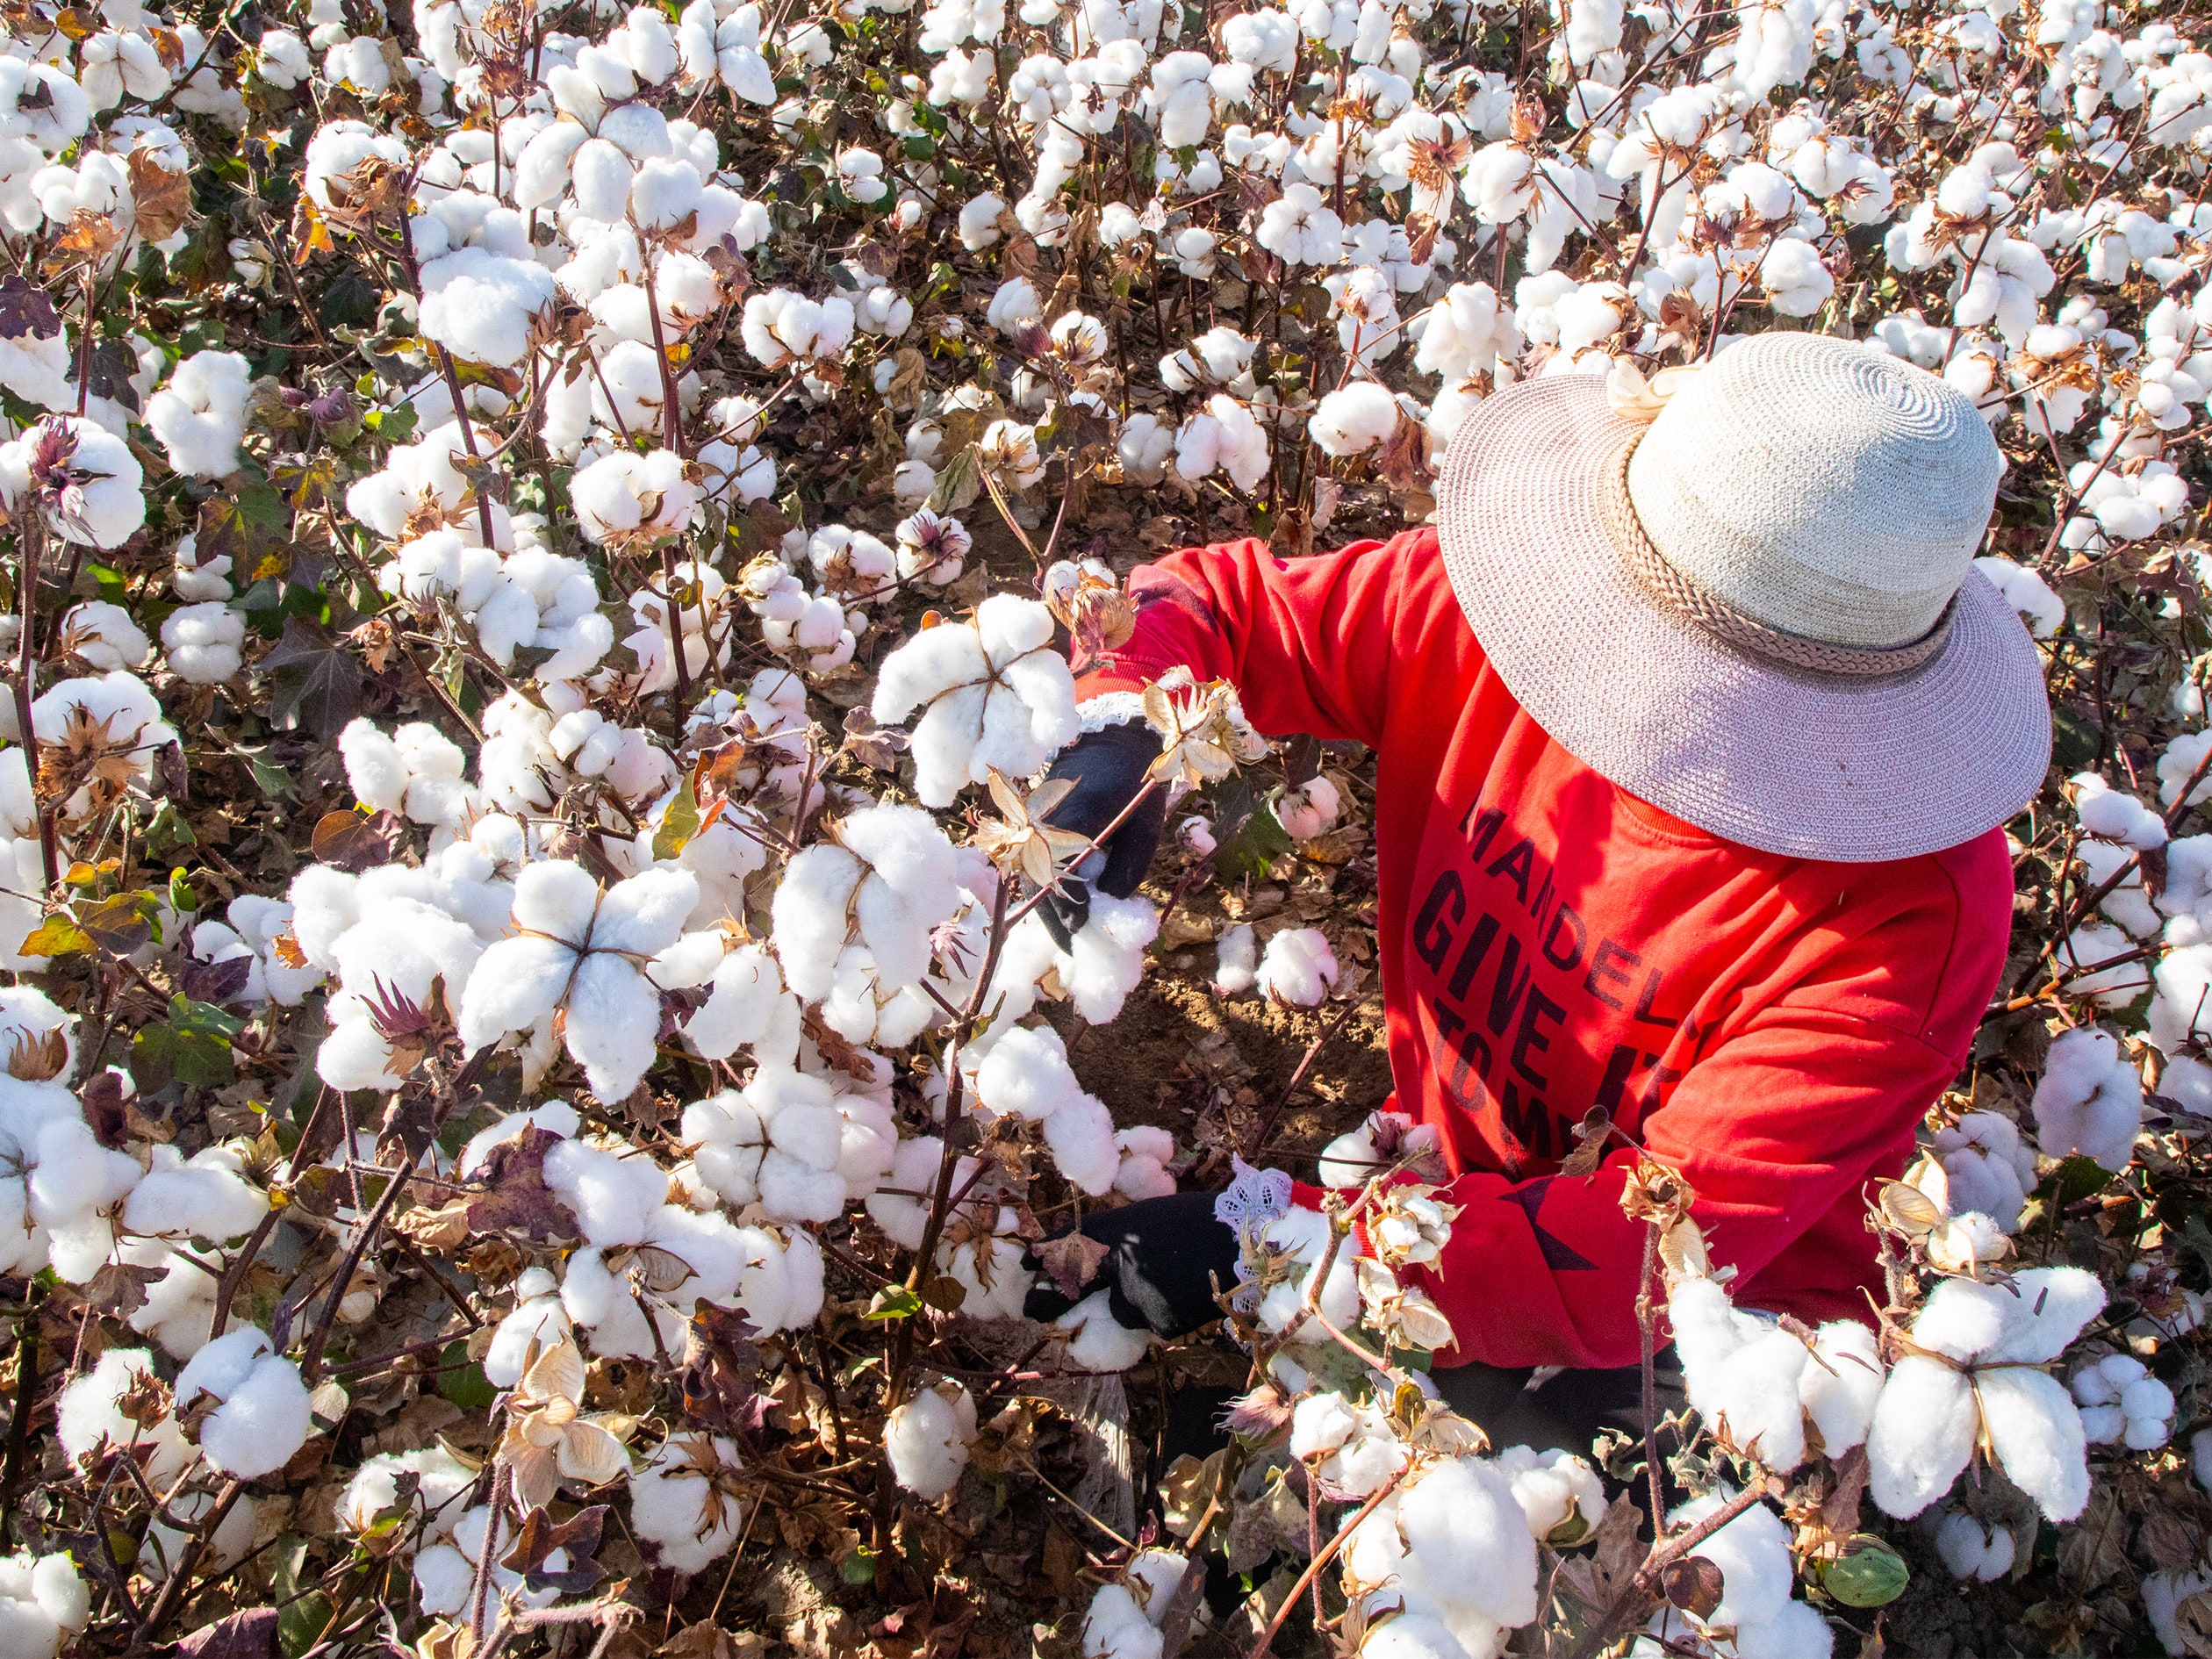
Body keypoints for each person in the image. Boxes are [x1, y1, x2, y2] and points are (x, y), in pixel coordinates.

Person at [1022, 332, 2053, 1454]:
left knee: (1519, 1537)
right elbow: (1216, 604)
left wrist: (1268, 1243)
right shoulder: (1500, 615)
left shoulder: (1907, 921)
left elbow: (1637, 1261)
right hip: (1451, 1190)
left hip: (1723, 1317)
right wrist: (1115, 722)